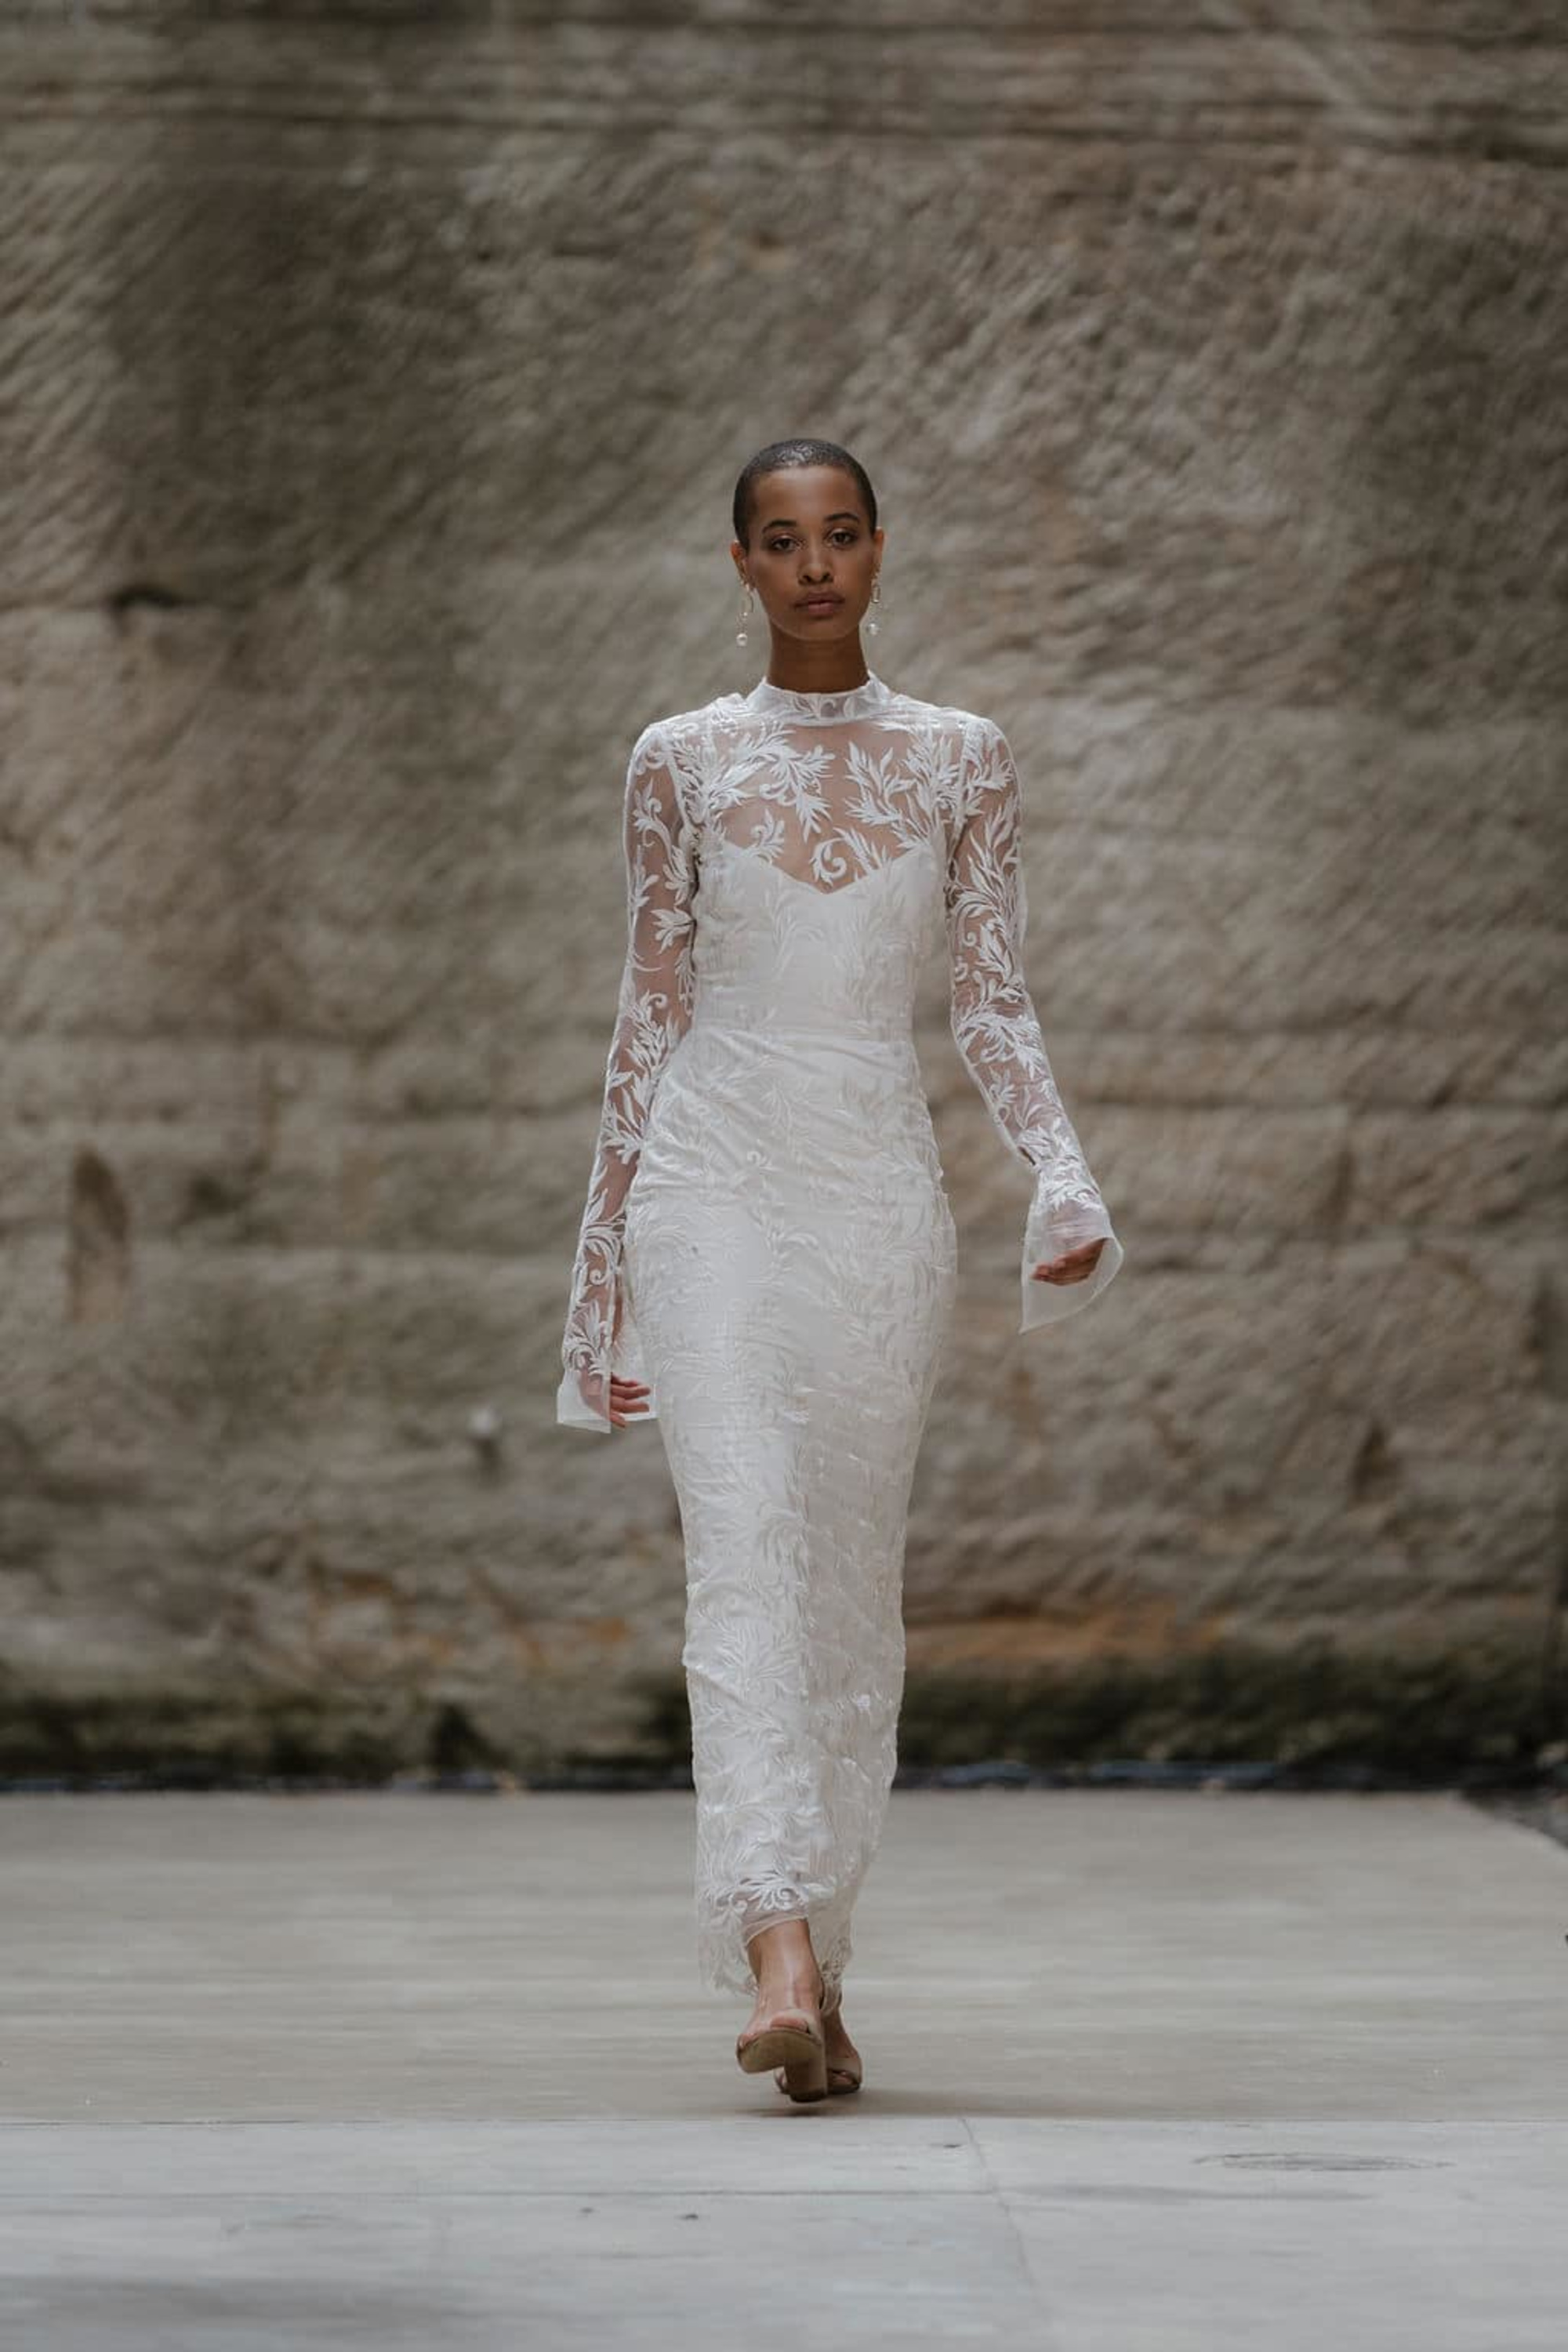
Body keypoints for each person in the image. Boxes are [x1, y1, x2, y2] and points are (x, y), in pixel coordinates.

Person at [555, 437, 1123, 2103]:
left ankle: (830, 1965)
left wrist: (1063, 1173)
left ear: (880, 552)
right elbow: (648, 1014)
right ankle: (775, 1948)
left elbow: (991, 997)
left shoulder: (961, 758)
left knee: (847, 1591)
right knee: (742, 1561)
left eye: (842, 534)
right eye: (782, 539)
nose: (814, 565)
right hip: (710, 1182)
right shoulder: (678, 760)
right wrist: (602, 1285)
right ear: (739, 562)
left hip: (876, 1191)